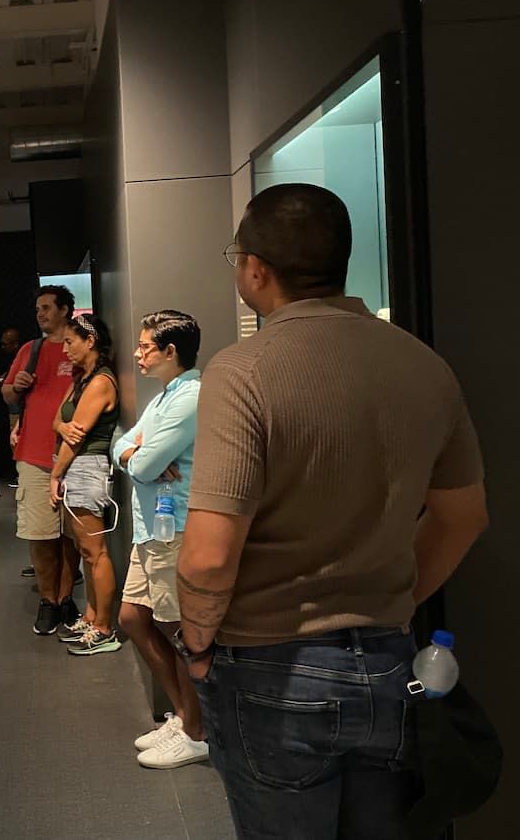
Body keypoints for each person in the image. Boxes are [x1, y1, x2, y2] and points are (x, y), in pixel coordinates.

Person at [176, 184, 488, 839]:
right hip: (390, 662)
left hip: (268, 668)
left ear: (256, 269)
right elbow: (464, 517)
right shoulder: (426, 367)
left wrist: (197, 649)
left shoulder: (243, 372)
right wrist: (389, 601)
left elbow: (207, 557)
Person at [111, 310, 210, 769]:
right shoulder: (163, 397)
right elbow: (123, 445)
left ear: (172, 352)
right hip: (152, 528)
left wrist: (138, 456)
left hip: (175, 530)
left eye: (146, 346)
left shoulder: (191, 396)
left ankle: (196, 729)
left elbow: (146, 466)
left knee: (183, 633)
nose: (137, 353)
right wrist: (135, 450)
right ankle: (184, 715)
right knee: (133, 617)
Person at [2, 286, 81, 635]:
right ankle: (48, 601)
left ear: (65, 310)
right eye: (38, 309)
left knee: (71, 536)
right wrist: (15, 386)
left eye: (47, 308)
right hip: (34, 456)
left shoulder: (80, 347)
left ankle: (65, 599)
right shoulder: (29, 350)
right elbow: (6, 393)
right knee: (41, 534)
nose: (41, 314)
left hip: (76, 456)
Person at [49, 314, 121, 656]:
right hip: (75, 469)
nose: (65, 349)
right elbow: (60, 421)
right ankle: (92, 617)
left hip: (86, 468)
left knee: (95, 552)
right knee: (86, 552)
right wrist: (62, 428)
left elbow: (76, 438)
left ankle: (105, 627)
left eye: (70, 342)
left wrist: (54, 475)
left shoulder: (100, 383)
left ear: (89, 341)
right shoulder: (83, 379)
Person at [0, 326, 23, 492]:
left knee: (17, 440)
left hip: (18, 408)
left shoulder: (22, 358)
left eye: (6, 344)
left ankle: (21, 474)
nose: (3, 347)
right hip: (14, 407)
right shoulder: (16, 359)